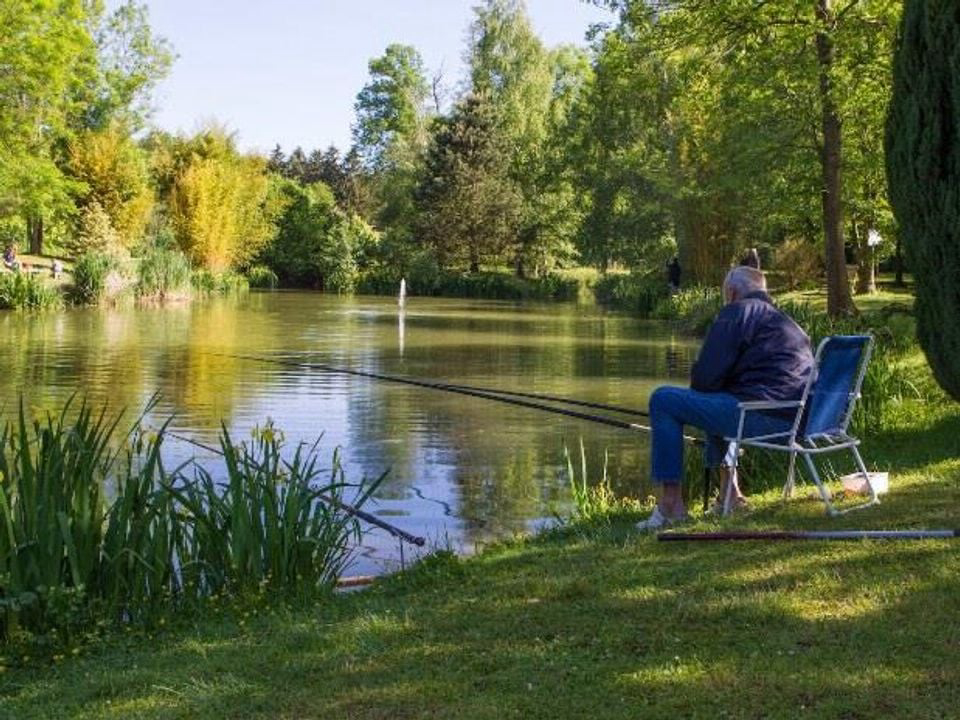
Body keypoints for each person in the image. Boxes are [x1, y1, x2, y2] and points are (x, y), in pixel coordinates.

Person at [635, 265, 814, 530]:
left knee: (663, 399)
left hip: (762, 418)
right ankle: (731, 493)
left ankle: (671, 505)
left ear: (731, 292)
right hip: (797, 421)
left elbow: (704, 380)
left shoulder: (736, 312)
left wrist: (709, 380)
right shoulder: (787, 322)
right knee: (719, 398)